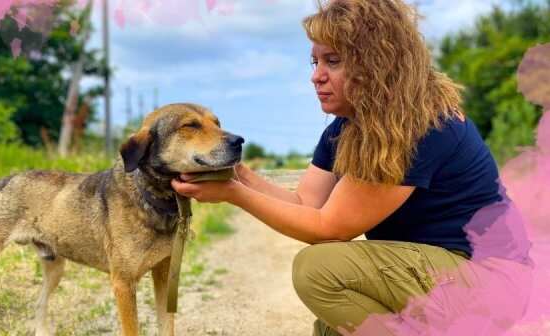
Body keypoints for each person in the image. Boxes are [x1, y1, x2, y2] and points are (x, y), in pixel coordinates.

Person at [171, 0, 533, 334]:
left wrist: (233, 195)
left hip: (489, 281)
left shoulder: (419, 123)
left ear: (375, 62)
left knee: (318, 270)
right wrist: (239, 175)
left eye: (333, 61)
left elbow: (329, 228)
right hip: (442, 276)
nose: (317, 76)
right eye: (315, 62)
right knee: (332, 327)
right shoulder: (347, 126)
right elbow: (307, 205)